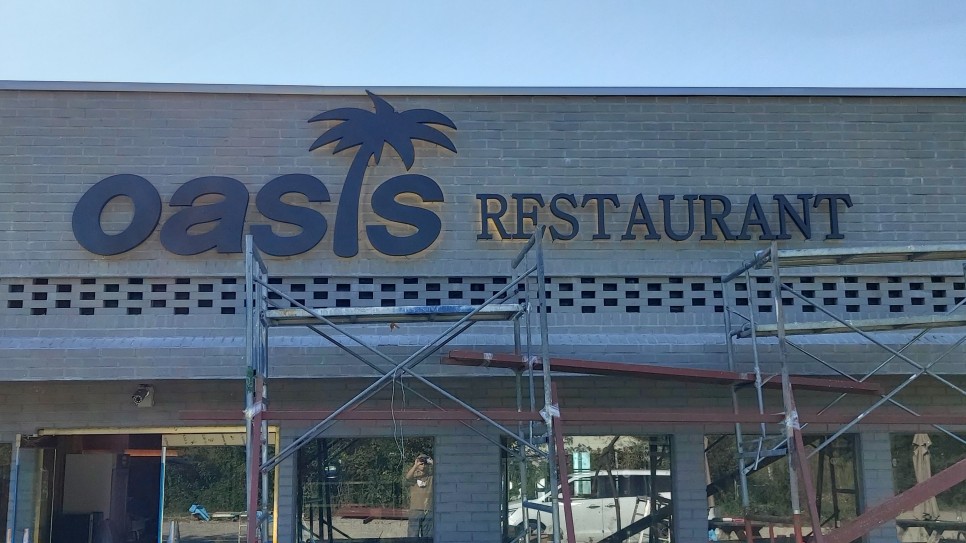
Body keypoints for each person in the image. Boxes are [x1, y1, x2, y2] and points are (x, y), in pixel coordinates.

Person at [404, 453, 434, 538]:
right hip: (415, 509)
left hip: (428, 510)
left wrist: (432, 463)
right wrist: (415, 465)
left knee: (428, 537)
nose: (423, 465)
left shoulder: (431, 476)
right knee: (412, 536)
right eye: (421, 463)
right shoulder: (414, 475)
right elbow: (407, 477)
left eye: (425, 463)